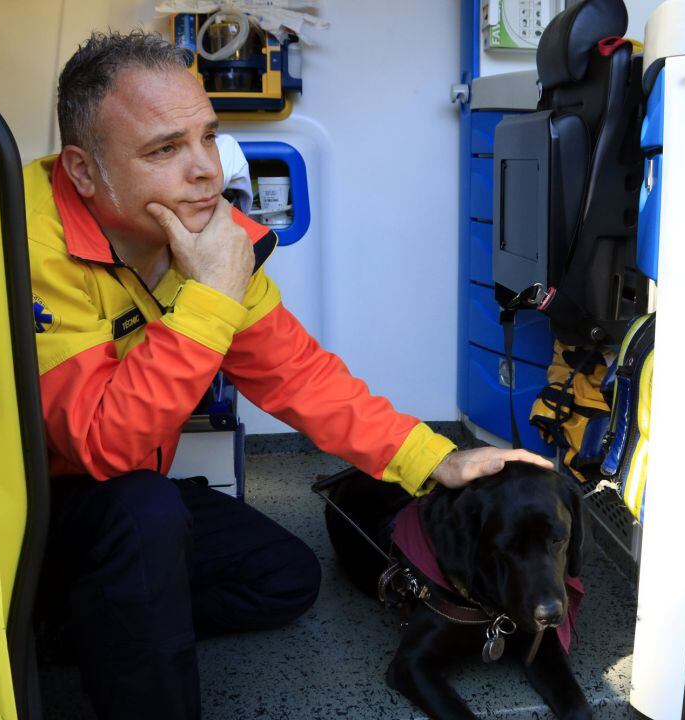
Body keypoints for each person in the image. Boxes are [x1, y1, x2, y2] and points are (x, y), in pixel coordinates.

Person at [27, 29, 552, 720]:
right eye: (164, 149)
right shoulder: (28, 242)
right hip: (33, 507)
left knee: (284, 578)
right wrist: (209, 297)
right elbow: (103, 447)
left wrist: (440, 460)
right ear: (85, 170)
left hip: (130, 497)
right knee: (142, 510)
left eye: (207, 138)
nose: (206, 172)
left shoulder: (211, 235)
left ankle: (75, 629)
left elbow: (300, 377)